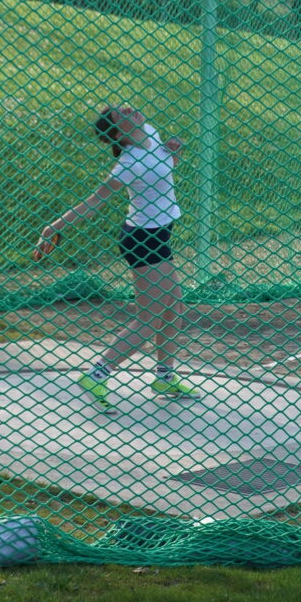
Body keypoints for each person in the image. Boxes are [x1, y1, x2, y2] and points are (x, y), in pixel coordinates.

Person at [33, 104, 199, 413]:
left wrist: (173, 153)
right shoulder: (128, 164)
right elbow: (94, 202)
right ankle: (96, 375)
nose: (129, 109)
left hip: (160, 235)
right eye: (121, 115)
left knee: (173, 307)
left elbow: (161, 174)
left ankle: (164, 378)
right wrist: (52, 228)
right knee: (149, 319)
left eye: (126, 108)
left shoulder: (150, 132)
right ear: (120, 133)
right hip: (143, 240)